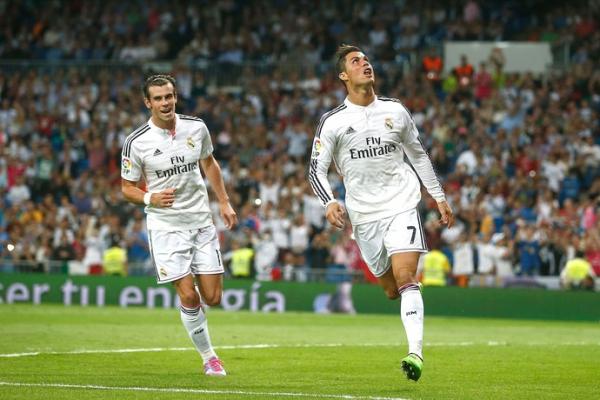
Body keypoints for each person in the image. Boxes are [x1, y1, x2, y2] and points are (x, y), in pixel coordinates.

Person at [308, 44, 454, 382]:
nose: (365, 64)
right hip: (364, 216)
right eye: (356, 62)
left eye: (367, 59)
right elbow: (316, 170)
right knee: (390, 289)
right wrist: (329, 201)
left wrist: (438, 196)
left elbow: (417, 155)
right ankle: (405, 305)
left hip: (402, 203)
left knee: (407, 279)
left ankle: (415, 353)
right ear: (343, 75)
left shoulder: (395, 110)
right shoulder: (333, 122)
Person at [121, 74, 238, 377]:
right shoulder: (136, 142)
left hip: (200, 221)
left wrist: (224, 201)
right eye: (158, 98)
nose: (165, 102)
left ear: (176, 96)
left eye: (169, 96)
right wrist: (150, 197)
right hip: (165, 227)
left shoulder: (196, 127)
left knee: (212, 297)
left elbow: (209, 163)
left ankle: (196, 308)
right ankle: (209, 357)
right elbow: (127, 188)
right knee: (189, 295)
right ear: (148, 103)